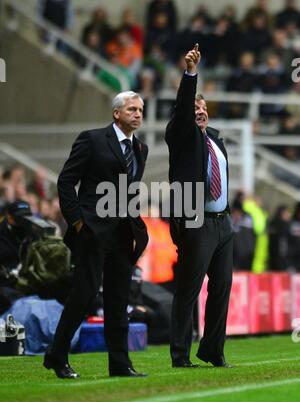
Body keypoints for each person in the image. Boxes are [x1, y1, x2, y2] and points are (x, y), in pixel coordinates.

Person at [43, 91, 149, 378]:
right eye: (132, 109)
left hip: (123, 233)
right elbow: (66, 181)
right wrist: (77, 222)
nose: (138, 114)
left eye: (140, 109)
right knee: (85, 294)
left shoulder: (141, 149)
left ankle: (120, 363)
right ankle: (57, 354)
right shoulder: (91, 139)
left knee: (118, 299)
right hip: (93, 230)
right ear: (117, 113)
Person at [165, 44, 233, 368]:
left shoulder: (216, 139)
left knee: (221, 288)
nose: (199, 110)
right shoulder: (180, 134)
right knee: (189, 289)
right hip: (197, 221)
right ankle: (180, 354)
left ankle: (212, 350)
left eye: (203, 106)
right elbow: (182, 108)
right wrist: (191, 74)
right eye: (194, 106)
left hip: (223, 224)